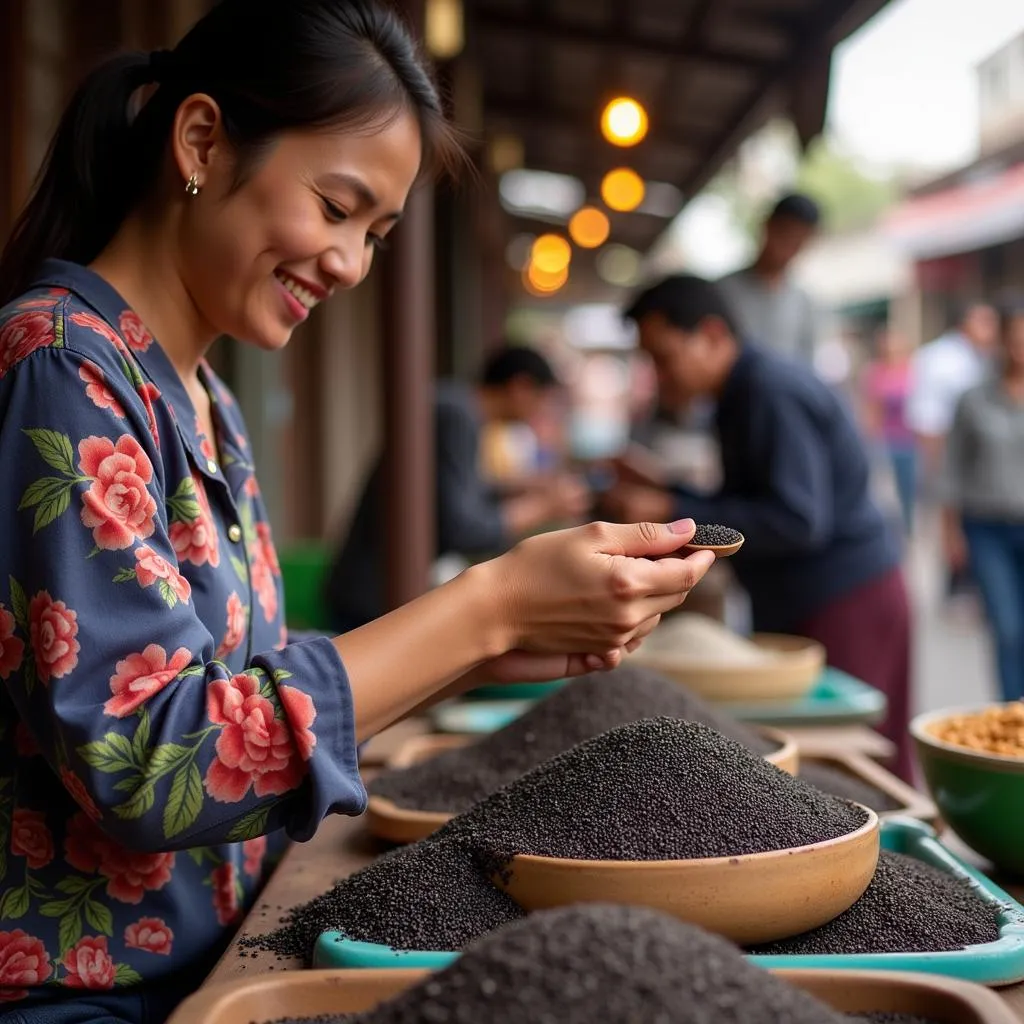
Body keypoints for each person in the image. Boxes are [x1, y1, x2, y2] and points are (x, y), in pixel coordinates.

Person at [0, 2, 715, 1018]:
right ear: (201, 141)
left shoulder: (200, 393)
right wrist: (489, 605)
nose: (350, 265)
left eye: (375, 233)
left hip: (227, 949)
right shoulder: (60, 366)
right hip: (93, 994)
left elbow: (245, 681)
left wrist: (506, 640)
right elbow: (154, 762)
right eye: (335, 209)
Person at [600, 275, 912, 779]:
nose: (659, 376)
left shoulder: (768, 389)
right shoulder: (737, 393)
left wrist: (668, 506)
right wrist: (667, 490)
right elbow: (753, 503)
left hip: (845, 598)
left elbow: (796, 520)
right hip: (815, 597)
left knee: (857, 776)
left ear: (713, 334)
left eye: (664, 357)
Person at [324, 345, 589, 632]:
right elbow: (464, 529)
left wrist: (526, 486)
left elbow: (451, 494)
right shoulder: (457, 415)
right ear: (520, 387)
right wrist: (543, 507)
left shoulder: (455, 406)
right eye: (542, 400)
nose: (541, 412)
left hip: (366, 587)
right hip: (373, 594)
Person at [943, 301, 1024, 702]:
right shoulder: (973, 398)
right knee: (1007, 628)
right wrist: (949, 531)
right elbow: (951, 469)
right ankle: (1012, 718)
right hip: (987, 526)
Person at [906, 300, 998, 605]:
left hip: (985, 461)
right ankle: (957, 583)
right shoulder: (940, 360)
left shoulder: (987, 360)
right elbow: (927, 417)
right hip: (951, 454)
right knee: (952, 521)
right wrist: (940, 465)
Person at [717, 192, 822, 363]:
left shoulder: (803, 304)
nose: (789, 249)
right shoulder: (722, 292)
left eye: (798, 242)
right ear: (767, 226)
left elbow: (805, 367)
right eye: (785, 235)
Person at [860, 326, 917, 534]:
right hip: (885, 441)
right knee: (884, 495)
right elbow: (871, 410)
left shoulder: (913, 371)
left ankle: (907, 530)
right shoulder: (875, 373)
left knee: (908, 492)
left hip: (910, 442)